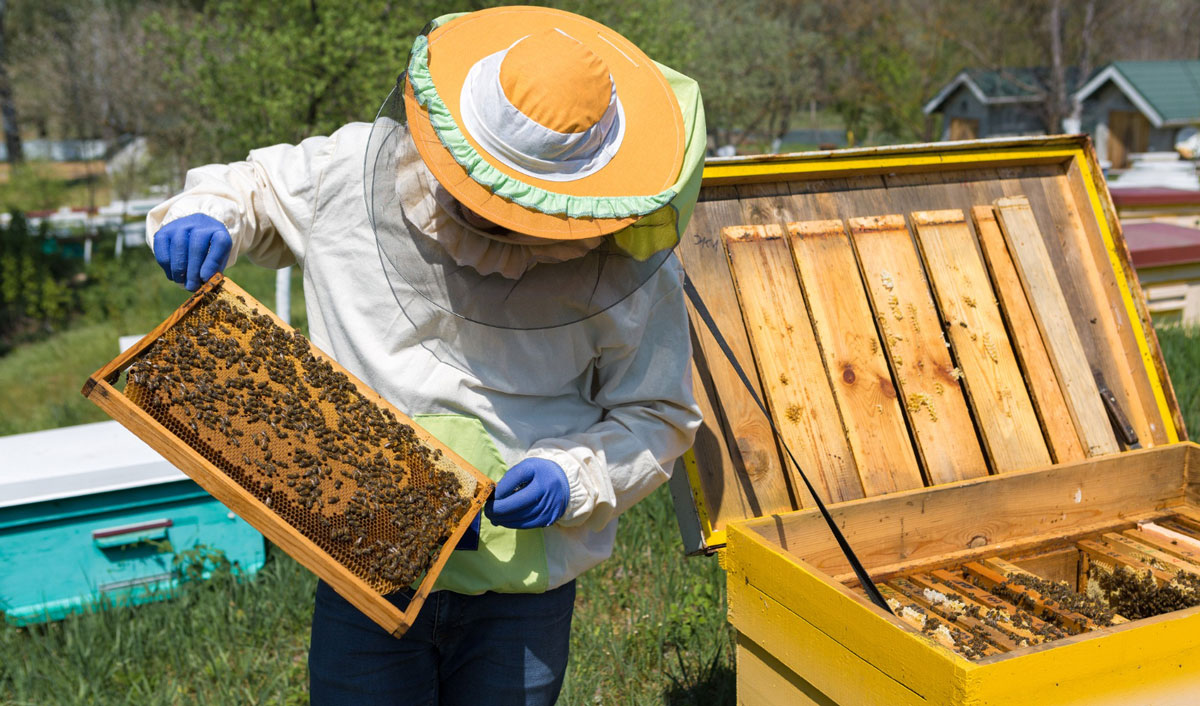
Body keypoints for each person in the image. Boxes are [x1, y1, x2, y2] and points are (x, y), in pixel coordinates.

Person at [147, 6, 706, 704]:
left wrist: (576, 476)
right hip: (362, 568)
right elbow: (249, 188)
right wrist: (206, 214)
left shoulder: (630, 262)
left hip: (520, 598)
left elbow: (659, 414)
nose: (500, 232)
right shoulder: (349, 170)